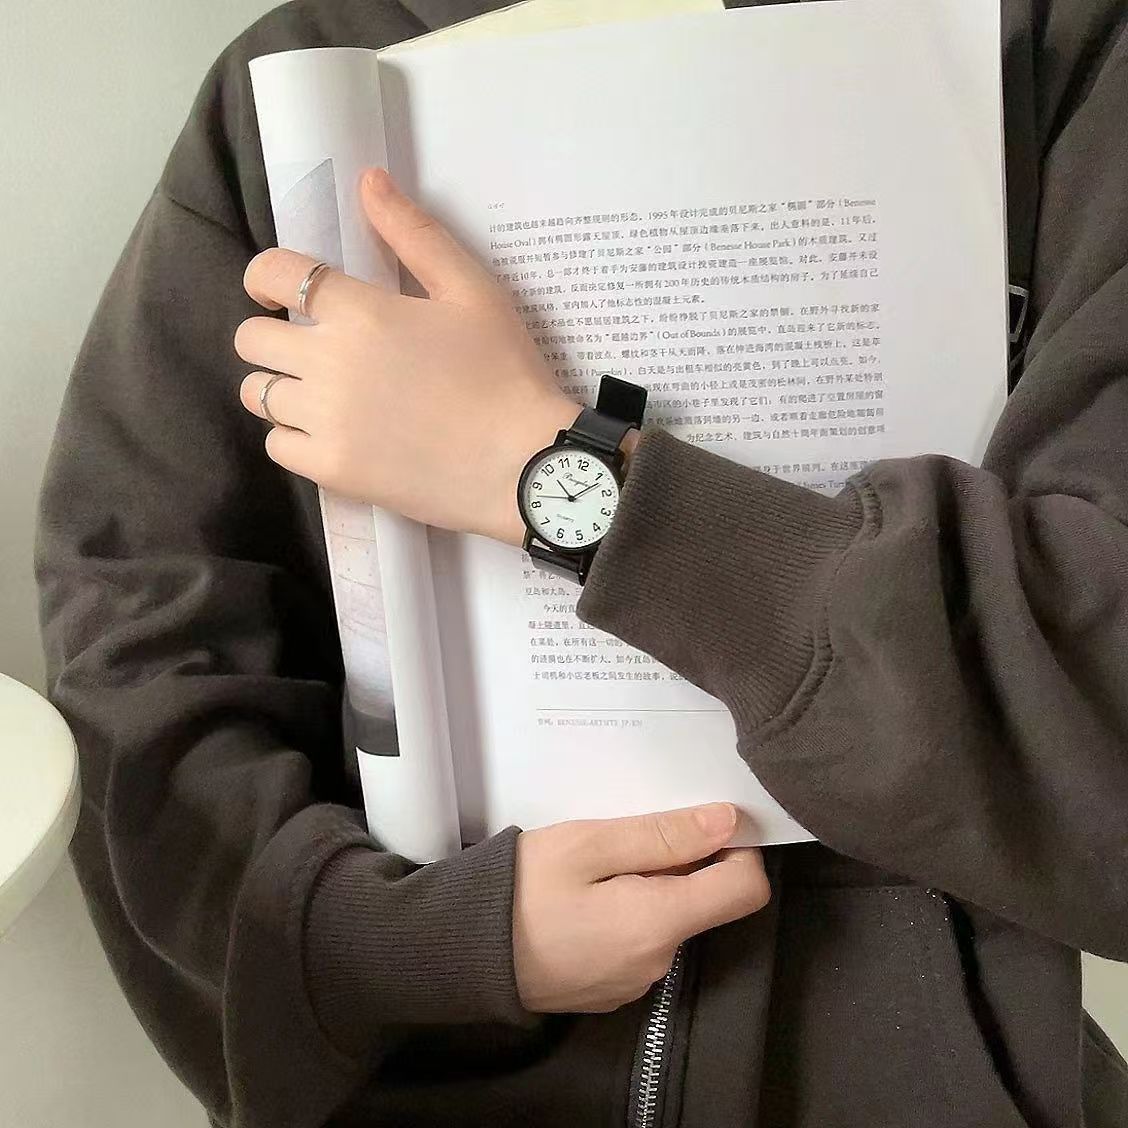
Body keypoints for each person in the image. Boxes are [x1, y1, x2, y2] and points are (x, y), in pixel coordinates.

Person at [34, 0, 1128, 1126]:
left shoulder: (1058, 44)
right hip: (442, 1076)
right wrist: (417, 946)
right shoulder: (306, 71)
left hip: (936, 1072)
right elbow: (142, 650)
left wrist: (538, 466)